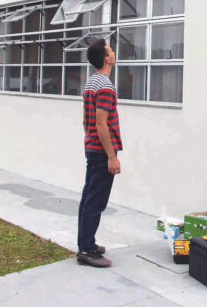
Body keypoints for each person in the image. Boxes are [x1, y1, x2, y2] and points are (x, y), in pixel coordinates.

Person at [77, 38, 121, 267]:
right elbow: (101, 124)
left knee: (88, 198)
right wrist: (111, 156)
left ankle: (87, 243)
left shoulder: (91, 83)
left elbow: (86, 122)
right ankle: (87, 250)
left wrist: (91, 143)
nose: (114, 53)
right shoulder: (105, 85)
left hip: (92, 148)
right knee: (95, 201)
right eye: (111, 50)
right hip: (102, 151)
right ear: (107, 59)